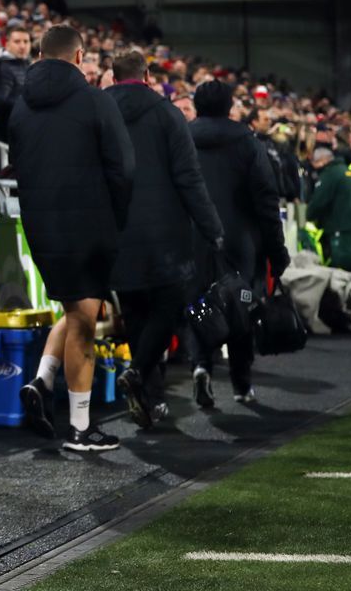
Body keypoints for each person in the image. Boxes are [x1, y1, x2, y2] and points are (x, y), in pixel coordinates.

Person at [13, 24, 134, 452]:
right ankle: (80, 428)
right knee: (84, 322)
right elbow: (123, 167)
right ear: (79, 57)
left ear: (40, 54)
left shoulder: (20, 106)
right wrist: (117, 218)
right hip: (90, 223)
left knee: (73, 308)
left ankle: (43, 380)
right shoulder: (95, 100)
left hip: (42, 225)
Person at [104, 50, 222, 428]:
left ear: (112, 75)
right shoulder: (167, 113)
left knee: (136, 313)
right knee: (170, 306)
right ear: (149, 76)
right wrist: (212, 226)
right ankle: (139, 374)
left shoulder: (98, 112)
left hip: (116, 229)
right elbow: (189, 179)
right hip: (166, 233)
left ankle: (151, 399)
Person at [186, 81, 290, 407]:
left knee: (197, 304)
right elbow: (266, 199)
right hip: (241, 241)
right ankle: (241, 384)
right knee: (242, 307)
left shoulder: (181, 138)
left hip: (193, 236)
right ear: (230, 107)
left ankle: (201, 365)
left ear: (197, 105)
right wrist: (277, 250)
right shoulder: (248, 142)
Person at [306, 146, 351, 271]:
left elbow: (319, 202)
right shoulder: (346, 171)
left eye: (315, 162)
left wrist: (308, 216)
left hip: (341, 228)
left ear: (322, 160)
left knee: (341, 269)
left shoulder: (331, 174)